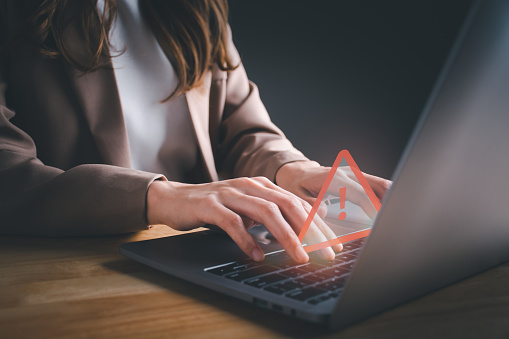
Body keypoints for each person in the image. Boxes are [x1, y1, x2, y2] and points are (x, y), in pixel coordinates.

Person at [0, 0, 390, 264]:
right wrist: (164, 197)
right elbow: (8, 176)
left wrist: (291, 168)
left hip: (192, 262)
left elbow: (238, 123)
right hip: (69, 268)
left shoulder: (197, 7)